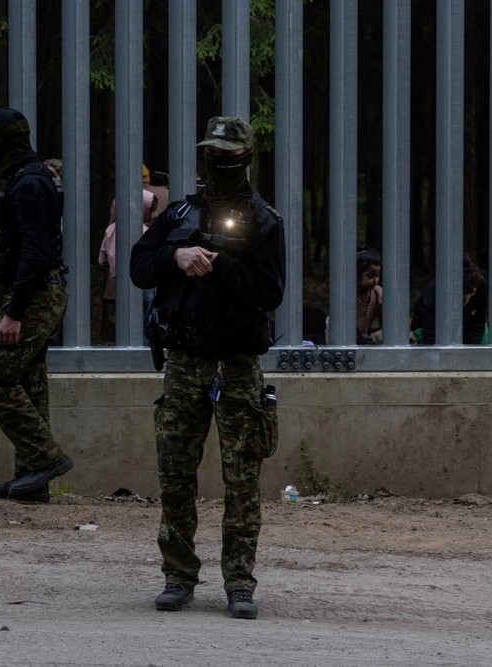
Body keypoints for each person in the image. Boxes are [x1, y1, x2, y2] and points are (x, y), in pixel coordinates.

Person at [130, 116, 286, 620]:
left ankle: (240, 581)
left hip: (235, 365)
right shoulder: (178, 213)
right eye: (210, 154)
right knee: (175, 473)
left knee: (241, 478)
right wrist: (176, 255)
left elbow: (270, 293)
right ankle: (178, 576)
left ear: (244, 159)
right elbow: (137, 267)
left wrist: (220, 263)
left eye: (226, 155)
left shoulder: (263, 221)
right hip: (183, 361)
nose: (216, 163)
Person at [0, 108, 73, 503]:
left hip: (36, 293)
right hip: (41, 290)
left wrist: (15, 310)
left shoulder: (30, 183)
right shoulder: (29, 178)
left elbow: (35, 250)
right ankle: (32, 481)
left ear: (2, 142)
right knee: (29, 380)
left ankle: (45, 459)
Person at [99, 188, 158, 342]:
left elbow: (102, 260)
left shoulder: (110, 230)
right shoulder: (146, 231)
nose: (152, 215)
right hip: (144, 284)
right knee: (146, 317)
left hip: (120, 282)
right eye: (150, 210)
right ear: (142, 208)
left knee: (126, 319)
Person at [411, 254, 488, 345]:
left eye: (461, 300)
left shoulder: (481, 287)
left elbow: (478, 325)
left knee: (485, 334)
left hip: (465, 322)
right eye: (451, 299)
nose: (455, 304)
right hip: (429, 326)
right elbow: (429, 336)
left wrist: (469, 352)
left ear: (473, 292)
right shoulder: (434, 290)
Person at [325, 247, 383, 345]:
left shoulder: (378, 293)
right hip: (340, 338)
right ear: (356, 275)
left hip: (362, 338)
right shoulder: (346, 295)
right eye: (370, 276)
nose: (375, 280)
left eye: (377, 275)